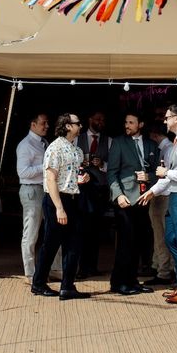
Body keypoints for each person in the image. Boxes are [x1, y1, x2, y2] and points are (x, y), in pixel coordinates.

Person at [138, 104, 177, 304]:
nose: (164, 121)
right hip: (176, 196)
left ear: (176, 118)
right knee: (171, 239)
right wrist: (152, 190)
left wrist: (165, 173)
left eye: (167, 118)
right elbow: (172, 175)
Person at [32, 112, 91, 300]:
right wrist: (59, 207)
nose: (80, 126)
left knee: (74, 244)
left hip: (73, 199)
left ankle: (67, 286)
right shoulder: (55, 148)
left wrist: (83, 178)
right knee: (50, 243)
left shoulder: (76, 149)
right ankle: (38, 283)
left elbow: (72, 174)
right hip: (56, 200)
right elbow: (51, 179)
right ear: (67, 126)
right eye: (77, 123)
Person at [107, 111, 158, 296]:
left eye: (131, 122)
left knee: (139, 242)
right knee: (125, 243)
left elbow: (157, 171)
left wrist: (150, 177)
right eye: (126, 122)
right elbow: (112, 172)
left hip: (144, 199)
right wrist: (118, 195)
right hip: (125, 200)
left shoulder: (152, 144)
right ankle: (118, 283)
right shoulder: (119, 142)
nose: (127, 125)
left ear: (141, 124)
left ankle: (133, 281)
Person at [76, 110, 112, 278]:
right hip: (83, 189)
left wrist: (102, 164)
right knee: (82, 228)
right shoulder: (78, 139)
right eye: (98, 119)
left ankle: (92, 266)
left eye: (103, 120)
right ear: (90, 119)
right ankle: (81, 267)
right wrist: (79, 163)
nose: (100, 122)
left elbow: (113, 165)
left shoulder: (109, 141)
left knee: (96, 229)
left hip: (100, 190)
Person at [16, 112, 49, 284]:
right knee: (31, 233)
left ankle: (54, 269)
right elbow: (22, 172)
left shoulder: (44, 143)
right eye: (43, 123)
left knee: (52, 230)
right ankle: (30, 273)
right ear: (33, 124)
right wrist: (44, 167)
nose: (46, 126)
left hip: (45, 189)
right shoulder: (25, 145)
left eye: (47, 123)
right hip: (31, 190)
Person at [143, 121, 175, 286]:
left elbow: (166, 177)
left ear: (154, 135)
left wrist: (151, 188)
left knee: (161, 236)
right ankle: (161, 267)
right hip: (161, 195)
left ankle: (164, 272)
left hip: (164, 196)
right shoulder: (166, 149)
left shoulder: (167, 150)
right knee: (162, 235)